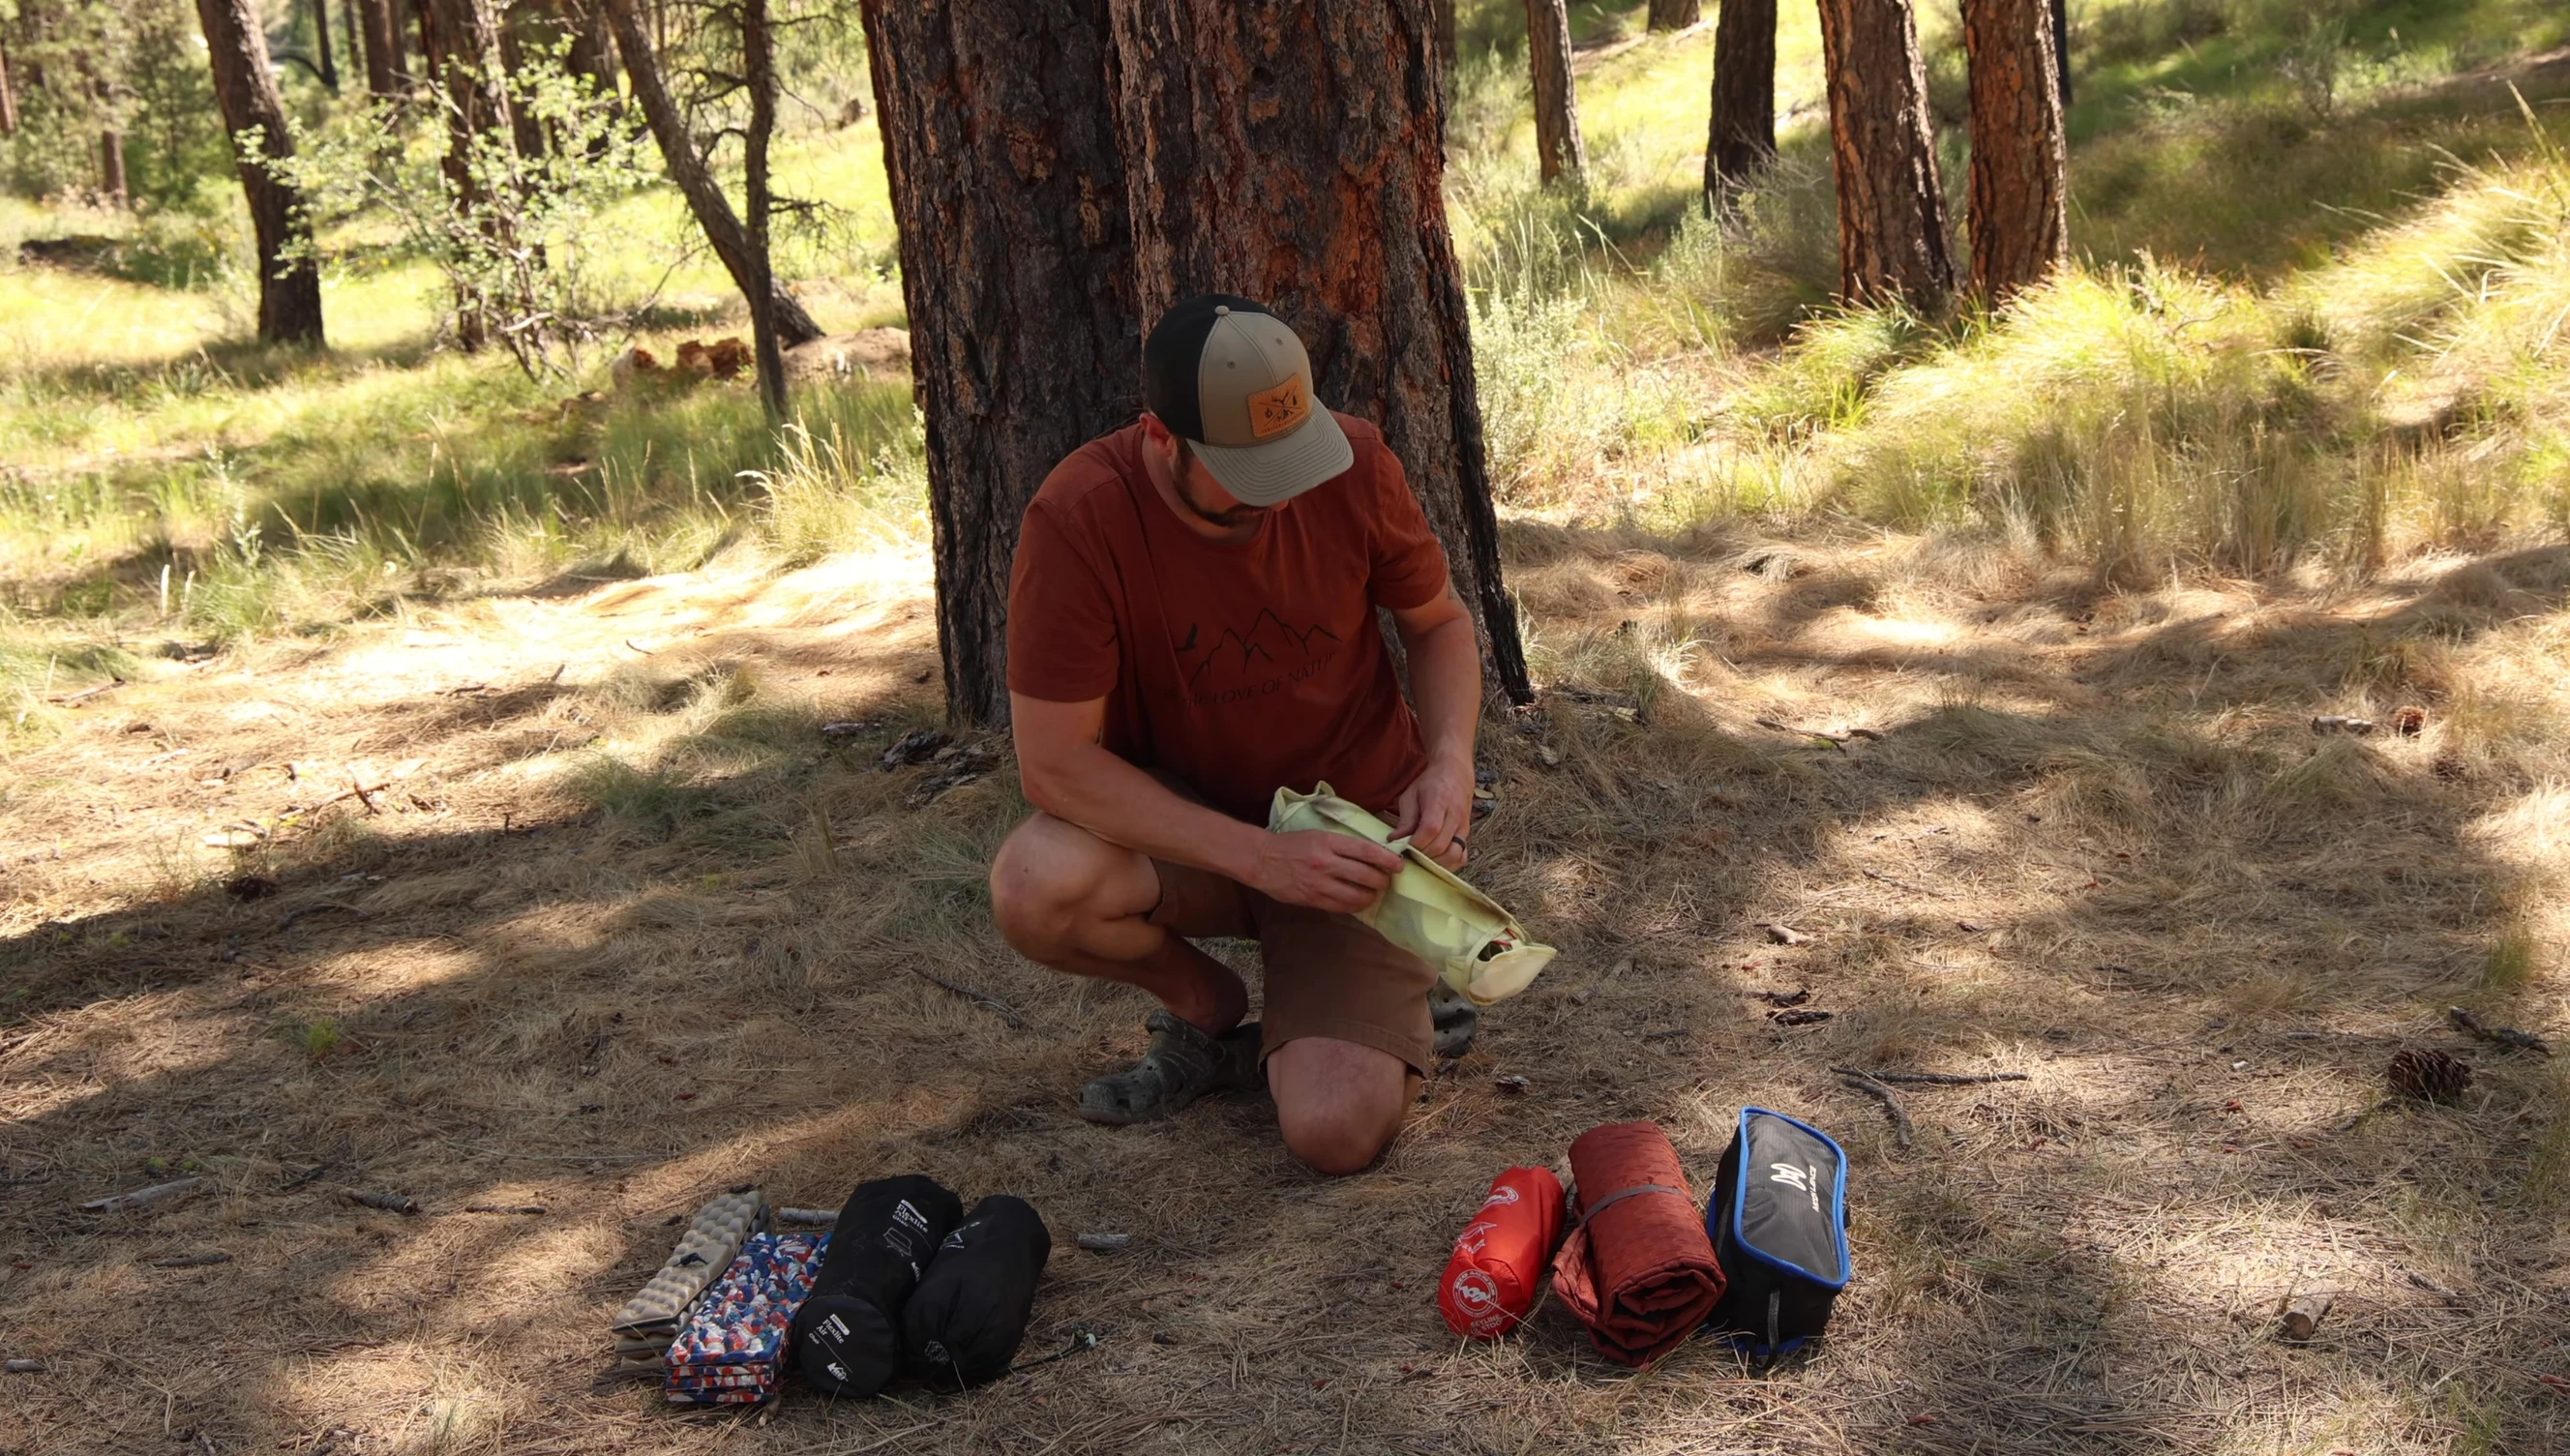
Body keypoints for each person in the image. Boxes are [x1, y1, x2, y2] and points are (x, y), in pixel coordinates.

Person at [989, 294, 1484, 1175]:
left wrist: (1449, 761)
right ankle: (1209, 1015)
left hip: (1356, 841)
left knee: (1334, 1131)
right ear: (1160, 435)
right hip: (1194, 834)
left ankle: (1377, 984)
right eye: (1249, 471)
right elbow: (1055, 765)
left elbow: (1439, 624)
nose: (1284, 491)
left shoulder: (1356, 461)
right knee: (1034, 883)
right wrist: (1257, 857)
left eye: (1293, 457)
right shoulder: (1079, 519)